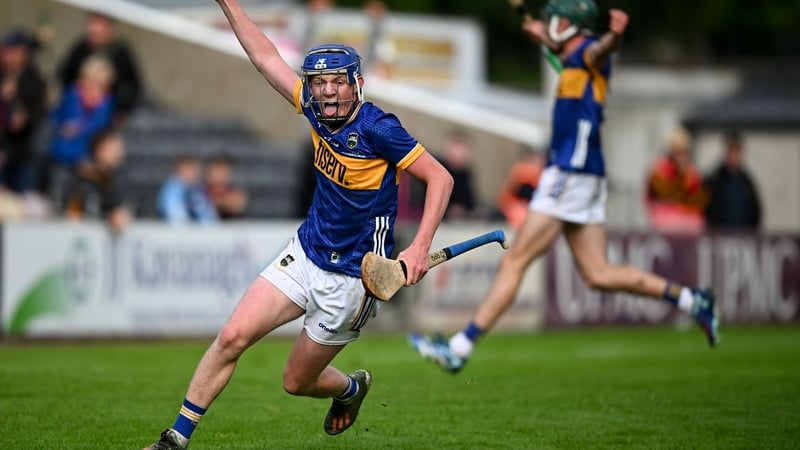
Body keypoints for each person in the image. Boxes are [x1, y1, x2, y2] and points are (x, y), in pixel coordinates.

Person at [144, 0, 453, 448]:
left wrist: (420, 245)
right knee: (231, 337)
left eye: (337, 82)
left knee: (295, 381)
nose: (327, 92)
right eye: (319, 82)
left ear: (357, 84)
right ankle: (175, 439)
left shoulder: (379, 129)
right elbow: (264, 56)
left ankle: (350, 388)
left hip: (354, 277)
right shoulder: (311, 108)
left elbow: (441, 178)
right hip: (306, 253)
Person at [409, 0, 719, 374]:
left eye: (553, 21)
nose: (547, 24)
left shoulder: (589, 52)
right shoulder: (572, 61)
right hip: (587, 177)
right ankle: (691, 300)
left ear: (569, 27)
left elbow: (600, 48)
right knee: (598, 273)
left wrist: (614, 35)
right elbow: (560, 48)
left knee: (516, 260)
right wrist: (541, 34)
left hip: (570, 174)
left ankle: (460, 347)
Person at [57, 11, 142, 124]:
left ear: (111, 29)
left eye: (101, 25)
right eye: (92, 23)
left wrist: (117, 107)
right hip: (76, 105)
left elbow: (132, 87)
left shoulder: (121, 52)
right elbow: (65, 75)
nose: (94, 29)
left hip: (106, 111)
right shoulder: (81, 47)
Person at [0, 28, 47, 194]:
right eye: (5, 49)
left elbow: (37, 116)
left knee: (19, 199)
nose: (7, 54)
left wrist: (21, 114)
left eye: (13, 50)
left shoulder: (34, 80)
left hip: (22, 152)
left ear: (24, 53)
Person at [62, 128, 132, 232]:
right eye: (114, 149)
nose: (119, 154)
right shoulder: (82, 177)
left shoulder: (120, 178)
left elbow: (123, 206)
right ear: (99, 149)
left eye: (120, 149)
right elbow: (73, 211)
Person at [645, 127, 709, 232]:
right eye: (678, 151)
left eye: (684, 152)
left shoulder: (691, 172)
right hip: (666, 224)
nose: (681, 156)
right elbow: (656, 196)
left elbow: (696, 199)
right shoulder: (661, 170)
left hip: (688, 226)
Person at [703, 131, 762, 230]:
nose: (733, 155)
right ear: (725, 152)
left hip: (743, 235)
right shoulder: (714, 180)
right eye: (731, 150)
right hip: (719, 235)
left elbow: (756, 213)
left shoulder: (747, 181)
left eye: (736, 151)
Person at [156, 154, 218, 225]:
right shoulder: (172, 190)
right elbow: (176, 219)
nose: (192, 174)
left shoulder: (198, 188)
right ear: (178, 171)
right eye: (188, 170)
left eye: (194, 170)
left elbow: (208, 217)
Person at [495, 145, 544, 229]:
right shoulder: (525, 169)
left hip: (511, 207)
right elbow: (525, 192)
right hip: (515, 207)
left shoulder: (519, 169)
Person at [440, 130, 477, 220]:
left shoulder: (465, 173)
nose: (460, 151)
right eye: (457, 147)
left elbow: (470, 203)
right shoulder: (439, 170)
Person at [205, 153, 248, 219]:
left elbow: (237, 205)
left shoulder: (235, 192)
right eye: (217, 170)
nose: (220, 175)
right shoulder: (202, 190)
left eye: (224, 171)